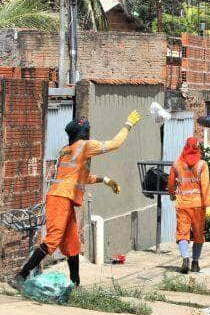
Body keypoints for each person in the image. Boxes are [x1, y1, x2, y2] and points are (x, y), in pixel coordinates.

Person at [8, 111, 141, 290]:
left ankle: (76, 286)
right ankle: (20, 276)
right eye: (88, 130)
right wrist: (128, 124)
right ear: (84, 132)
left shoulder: (68, 149)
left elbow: (81, 177)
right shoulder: (85, 146)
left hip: (64, 198)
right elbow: (115, 144)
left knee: (72, 245)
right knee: (53, 239)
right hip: (60, 198)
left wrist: (104, 180)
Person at [167, 137, 210, 274]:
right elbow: (205, 186)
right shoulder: (202, 164)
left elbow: (170, 184)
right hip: (198, 205)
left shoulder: (176, 164)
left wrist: (172, 194)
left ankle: (185, 258)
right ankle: (195, 263)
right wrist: (208, 205)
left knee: (182, 233)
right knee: (198, 234)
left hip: (183, 204)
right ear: (197, 147)